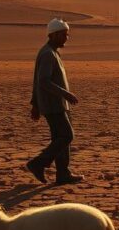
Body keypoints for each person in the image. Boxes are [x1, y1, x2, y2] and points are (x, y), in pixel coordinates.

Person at [26, 18, 83, 185]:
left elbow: (37, 80)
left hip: (57, 105)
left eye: (67, 35)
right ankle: (38, 163)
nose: (66, 38)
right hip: (53, 105)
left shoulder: (51, 52)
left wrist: (35, 105)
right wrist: (66, 94)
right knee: (66, 135)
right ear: (54, 35)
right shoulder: (47, 54)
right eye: (64, 35)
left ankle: (63, 174)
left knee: (60, 138)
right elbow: (42, 81)